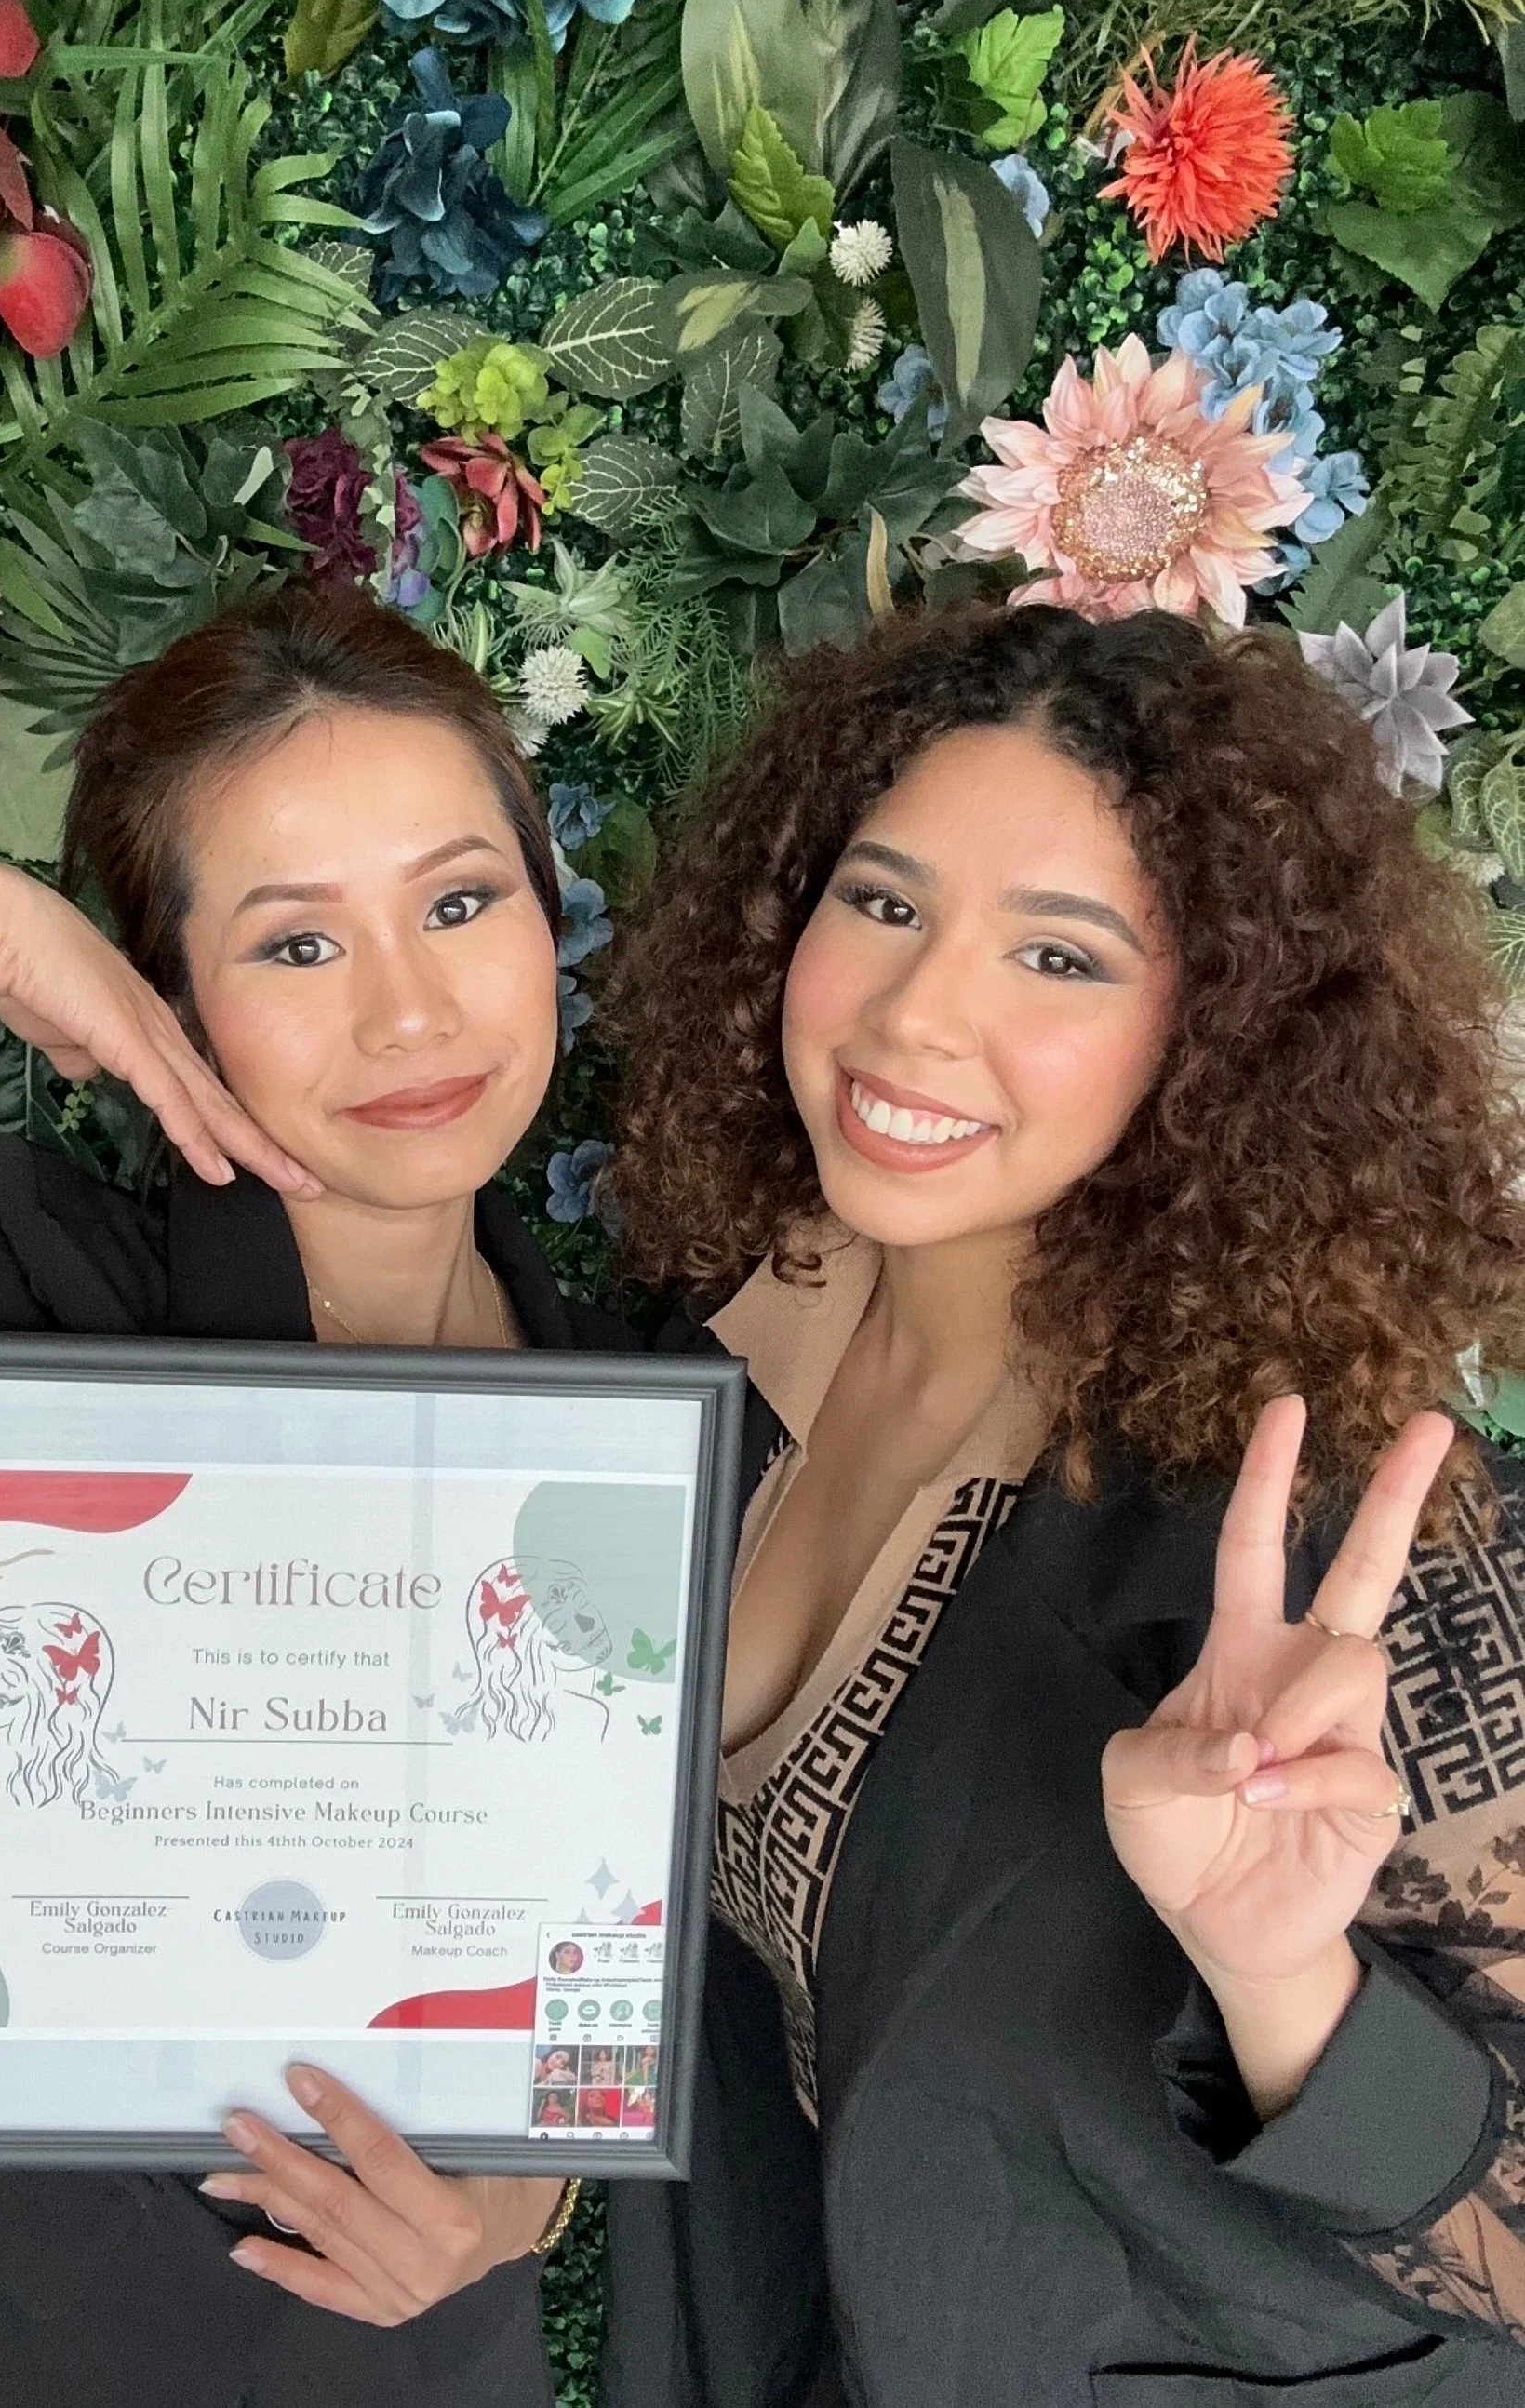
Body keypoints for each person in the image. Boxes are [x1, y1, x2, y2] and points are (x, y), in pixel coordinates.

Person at [0, 580, 612, 2408]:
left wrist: (519, 2205)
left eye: (460, 903)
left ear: (549, 914)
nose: (410, 1013)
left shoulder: (629, 1415)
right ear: (168, 1000)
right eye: (296, 946)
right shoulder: (23, 1296)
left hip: (392, 2365)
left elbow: (609, 1963)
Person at [600, 602, 1525, 2408]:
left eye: (1062, 956)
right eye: (880, 903)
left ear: (1216, 1031)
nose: (918, 1011)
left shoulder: (1323, 1508)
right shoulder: (737, 1350)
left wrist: (1281, 1986)